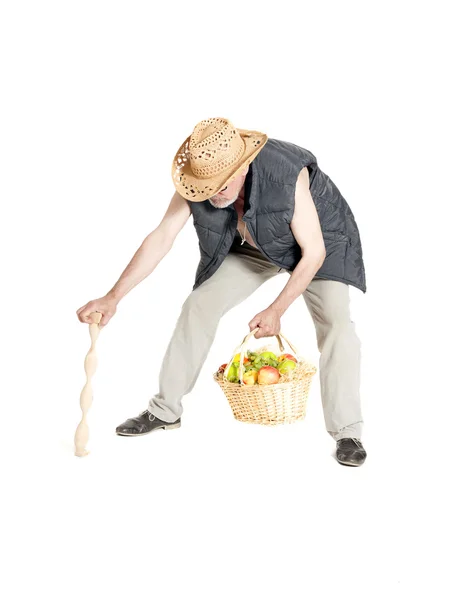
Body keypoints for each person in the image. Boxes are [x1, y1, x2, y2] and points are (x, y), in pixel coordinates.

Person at [76, 117, 367, 467]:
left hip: (318, 246)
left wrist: (276, 309)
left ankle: (347, 431)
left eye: (221, 184)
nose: (213, 192)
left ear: (243, 166)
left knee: (337, 326)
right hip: (255, 245)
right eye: (206, 185)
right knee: (198, 305)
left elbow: (314, 252)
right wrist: (112, 297)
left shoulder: (287, 173)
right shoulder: (197, 177)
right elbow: (161, 237)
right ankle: (165, 411)